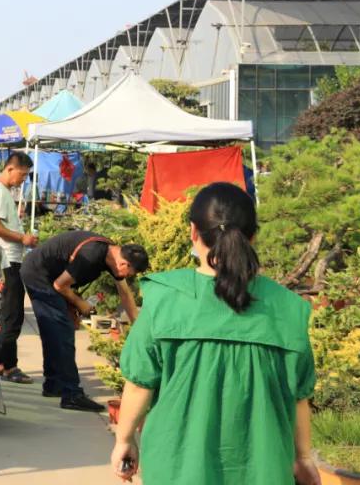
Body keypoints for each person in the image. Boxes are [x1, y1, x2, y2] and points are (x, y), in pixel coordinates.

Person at [111, 182, 319, 485]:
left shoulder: (165, 298)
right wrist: (303, 457)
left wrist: (124, 440)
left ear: (193, 232)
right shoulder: (287, 307)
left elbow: (139, 385)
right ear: (253, 236)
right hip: (264, 470)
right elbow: (298, 396)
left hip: (177, 469)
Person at [20, 230, 149, 411]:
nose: (128, 277)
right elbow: (60, 285)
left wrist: (138, 325)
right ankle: (72, 395)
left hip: (49, 274)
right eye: (130, 273)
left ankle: (54, 385)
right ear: (123, 264)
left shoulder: (113, 254)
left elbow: (125, 293)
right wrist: (80, 303)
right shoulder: (91, 255)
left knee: (54, 331)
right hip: (39, 274)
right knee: (63, 332)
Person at [0, 151, 38, 384]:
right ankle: (8, 366)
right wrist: (23, 238)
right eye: (22, 175)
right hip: (6, 262)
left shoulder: (1, 191)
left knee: (7, 315)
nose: (23, 180)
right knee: (11, 315)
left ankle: (1, 363)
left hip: (9, 260)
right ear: (10, 169)